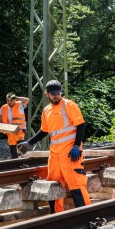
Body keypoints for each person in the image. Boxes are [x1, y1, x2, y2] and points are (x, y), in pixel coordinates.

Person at [25, 80, 88, 212]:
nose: (56, 96)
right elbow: (44, 131)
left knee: (76, 184)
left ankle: (86, 215)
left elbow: (81, 125)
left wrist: (76, 146)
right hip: (54, 156)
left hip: (71, 153)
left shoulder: (69, 105)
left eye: (58, 93)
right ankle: (56, 216)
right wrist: (29, 143)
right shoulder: (46, 110)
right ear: (47, 93)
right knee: (53, 185)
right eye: (53, 94)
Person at [0, 92, 29, 159]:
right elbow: (0, 120)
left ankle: (23, 163)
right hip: (10, 133)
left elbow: (27, 100)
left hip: (20, 131)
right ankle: (15, 163)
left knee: (22, 151)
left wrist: (17, 98)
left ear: (14, 100)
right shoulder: (3, 107)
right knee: (13, 154)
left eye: (11, 100)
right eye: (7, 100)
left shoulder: (19, 104)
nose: (9, 102)